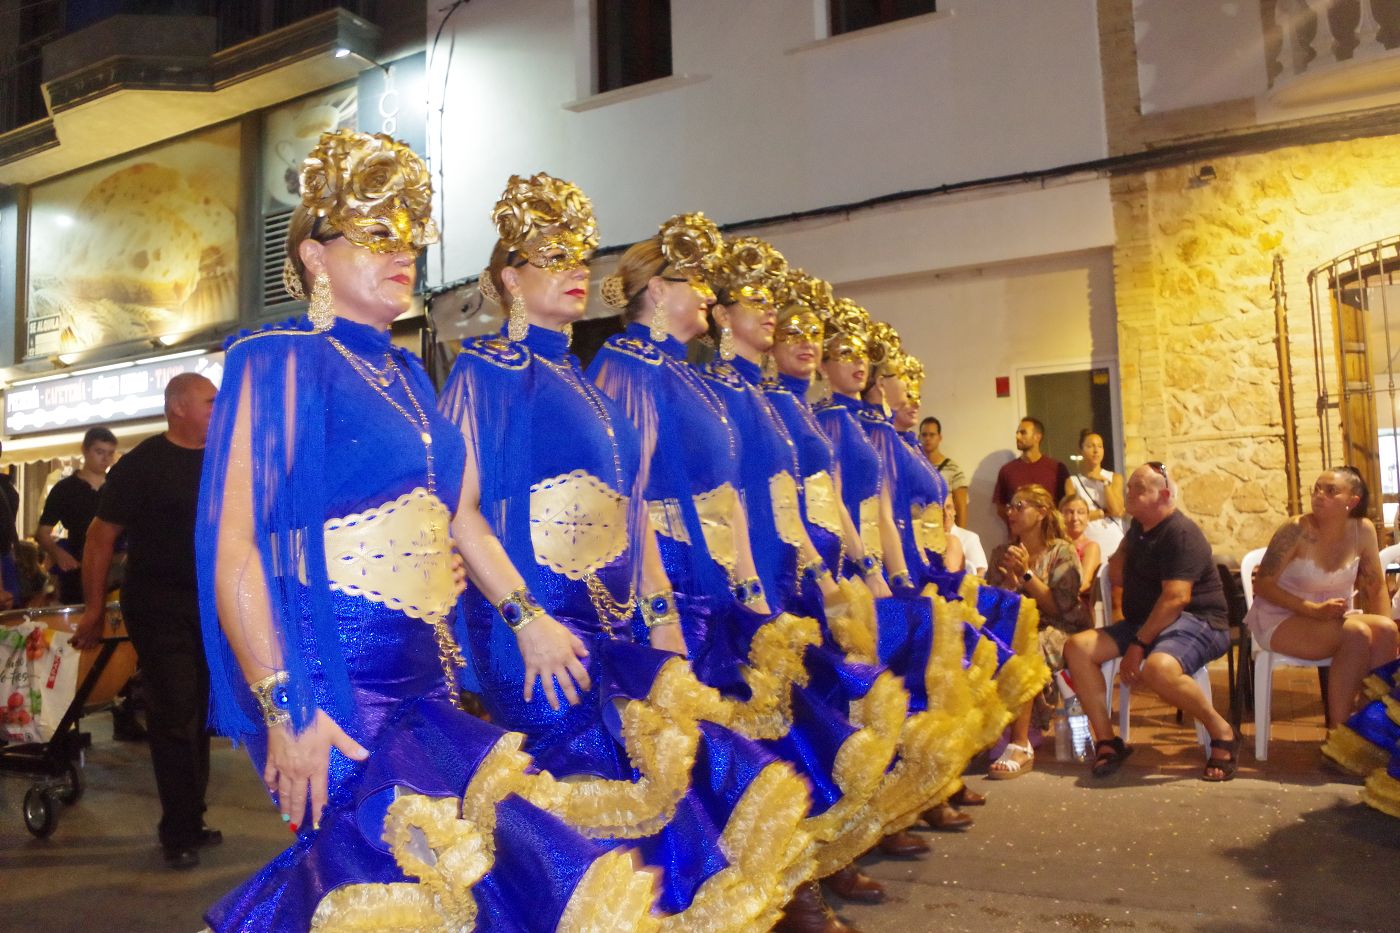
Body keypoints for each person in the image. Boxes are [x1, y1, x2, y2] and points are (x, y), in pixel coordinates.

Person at [194, 136, 658, 928]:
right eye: (376, 234)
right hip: (337, 677)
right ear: (314, 255)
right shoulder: (279, 358)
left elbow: (459, 514)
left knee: (453, 884)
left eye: (409, 237)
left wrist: (515, 609)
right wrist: (284, 706)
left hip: (428, 670)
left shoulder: (409, 373)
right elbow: (234, 541)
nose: (402, 251)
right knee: (378, 884)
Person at [443, 174, 813, 929]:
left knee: (639, 797)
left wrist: (658, 615)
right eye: (553, 257)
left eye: (581, 256)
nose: (576, 269)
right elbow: (457, 509)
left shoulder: (583, 380)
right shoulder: (487, 368)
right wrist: (526, 619)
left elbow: (631, 508)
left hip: (610, 622)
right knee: (574, 811)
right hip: (536, 626)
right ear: (510, 277)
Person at [72, 380, 215, 868]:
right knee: (174, 711)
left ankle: (192, 817)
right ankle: (177, 830)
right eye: (210, 401)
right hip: (157, 606)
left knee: (200, 711)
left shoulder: (222, 459)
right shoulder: (142, 464)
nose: (219, 407)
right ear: (178, 408)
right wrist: (94, 609)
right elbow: (99, 538)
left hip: (208, 606)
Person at [1062, 461, 1236, 781]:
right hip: (1147, 620)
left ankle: (1221, 731)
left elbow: (1176, 599)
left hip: (1198, 621)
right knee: (1077, 648)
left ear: (1164, 495)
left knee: (1158, 669)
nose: (1129, 493)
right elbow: (1116, 575)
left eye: (1139, 489)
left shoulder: (1181, 533)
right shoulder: (1138, 531)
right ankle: (1108, 742)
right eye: (1129, 487)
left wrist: (1138, 644)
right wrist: (1125, 547)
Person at [1247, 469, 1397, 732]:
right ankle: (1338, 732)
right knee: (1357, 633)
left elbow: (1375, 586)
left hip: (1332, 617)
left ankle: (1369, 721)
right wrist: (1312, 610)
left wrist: (1387, 637)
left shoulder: (1362, 530)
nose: (1319, 495)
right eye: (1316, 489)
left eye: (1331, 491)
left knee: (1386, 630)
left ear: (1352, 500)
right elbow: (1262, 584)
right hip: (1281, 617)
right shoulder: (1295, 530)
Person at [983, 485, 1089, 778]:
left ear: (1041, 512)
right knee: (977, 647)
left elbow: (1059, 608)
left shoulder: (1062, 552)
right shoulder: (1001, 553)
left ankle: (1021, 743)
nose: (1010, 512)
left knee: (1025, 648)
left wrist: (1027, 575)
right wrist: (1009, 583)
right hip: (1012, 626)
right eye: (1010, 506)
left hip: (1055, 627)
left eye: (1019, 506)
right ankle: (990, 730)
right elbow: (992, 607)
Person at [36, 426, 117, 605]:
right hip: (78, 568)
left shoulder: (117, 488)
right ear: (85, 450)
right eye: (99, 452)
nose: (105, 459)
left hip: (115, 567)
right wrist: (58, 553)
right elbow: (42, 532)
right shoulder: (64, 489)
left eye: (110, 453)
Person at [993, 418, 1070, 531]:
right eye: (1017, 433)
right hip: (1020, 538)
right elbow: (1001, 508)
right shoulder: (1007, 470)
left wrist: (1056, 525)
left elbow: (1069, 502)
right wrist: (1019, 525)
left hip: (1051, 534)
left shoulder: (1057, 468)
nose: (1017, 436)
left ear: (1037, 437)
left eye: (1023, 432)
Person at [1065, 429, 1126, 551]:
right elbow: (1074, 516)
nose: (1096, 450)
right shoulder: (1072, 482)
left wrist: (1105, 484)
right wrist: (1103, 512)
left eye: (1100, 446)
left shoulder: (1114, 478)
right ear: (1081, 450)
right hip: (1087, 538)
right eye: (1090, 446)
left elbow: (1117, 510)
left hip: (1113, 537)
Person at [921, 417, 969, 528]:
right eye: (924, 435)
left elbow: (961, 507)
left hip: (945, 528)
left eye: (932, 435)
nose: (927, 438)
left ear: (939, 438)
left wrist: (960, 534)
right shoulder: (915, 466)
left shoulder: (953, 469)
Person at [1060, 492, 1104, 613]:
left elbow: (1083, 583)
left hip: (1075, 607)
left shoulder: (1091, 547)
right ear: (1060, 516)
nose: (1075, 518)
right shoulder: (1053, 544)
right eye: (1069, 512)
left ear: (1088, 517)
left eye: (1080, 512)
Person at [946, 500, 988, 576]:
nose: (945, 513)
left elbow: (980, 573)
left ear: (954, 510)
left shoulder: (970, 538)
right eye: (939, 509)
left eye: (948, 507)